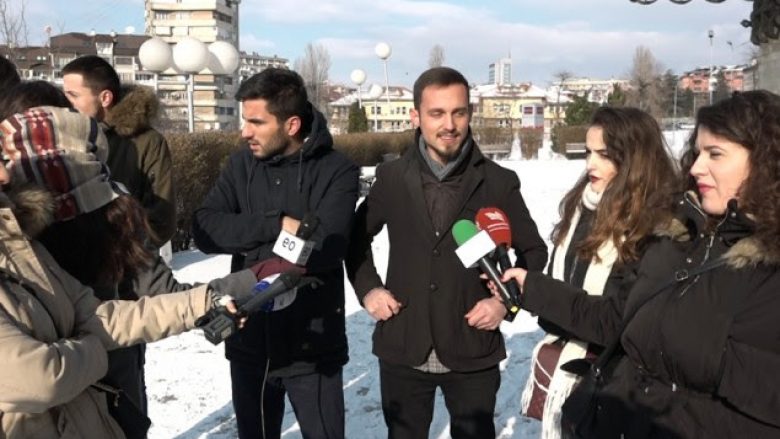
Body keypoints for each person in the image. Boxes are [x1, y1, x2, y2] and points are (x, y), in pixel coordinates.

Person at [499, 90, 780, 438]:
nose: (695, 167)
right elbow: (626, 322)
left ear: (767, 161)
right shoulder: (676, 236)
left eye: (716, 154)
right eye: (697, 152)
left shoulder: (760, 268)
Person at [0, 105, 248, 439]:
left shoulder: (21, 245)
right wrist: (92, 349)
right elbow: (39, 378)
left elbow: (101, 317)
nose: (6, 176)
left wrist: (205, 301)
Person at [346, 66, 548, 439]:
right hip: (403, 342)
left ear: (469, 113)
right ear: (416, 116)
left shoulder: (498, 181)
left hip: (472, 347)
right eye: (437, 113)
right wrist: (370, 289)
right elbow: (355, 240)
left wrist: (505, 303)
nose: (449, 124)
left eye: (458, 112)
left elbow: (534, 252)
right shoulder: (391, 179)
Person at [191, 68, 359, 439]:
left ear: (292, 124)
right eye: (244, 120)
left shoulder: (338, 171)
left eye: (256, 122)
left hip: (313, 346)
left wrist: (246, 234)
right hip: (248, 338)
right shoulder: (240, 165)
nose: (244, 131)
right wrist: (276, 224)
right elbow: (204, 229)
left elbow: (324, 252)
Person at [518, 106, 676, 439]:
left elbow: (617, 322)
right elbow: (565, 292)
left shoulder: (656, 226)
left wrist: (537, 290)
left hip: (618, 388)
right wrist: (530, 291)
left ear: (634, 159)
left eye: (604, 155)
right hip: (573, 377)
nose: (590, 164)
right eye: (589, 152)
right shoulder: (582, 207)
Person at [62, 55, 175, 248]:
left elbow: (161, 218)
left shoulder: (147, 142)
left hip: (123, 264)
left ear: (105, 98)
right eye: (64, 95)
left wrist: (122, 253)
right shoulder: (60, 137)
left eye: (73, 95)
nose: (65, 104)